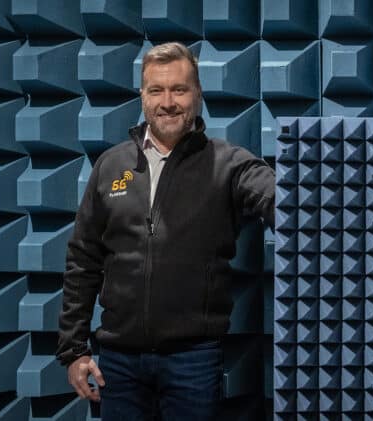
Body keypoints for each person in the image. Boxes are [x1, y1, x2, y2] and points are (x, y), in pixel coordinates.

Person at [56, 42, 275, 420]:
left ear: (198, 94)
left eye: (179, 89)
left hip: (193, 361)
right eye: (156, 90)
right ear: (142, 95)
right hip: (119, 364)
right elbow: (83, 260)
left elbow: (285, 202)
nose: (168, 101)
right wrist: (74, 351)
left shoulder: (228, 165)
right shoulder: (112, 167)